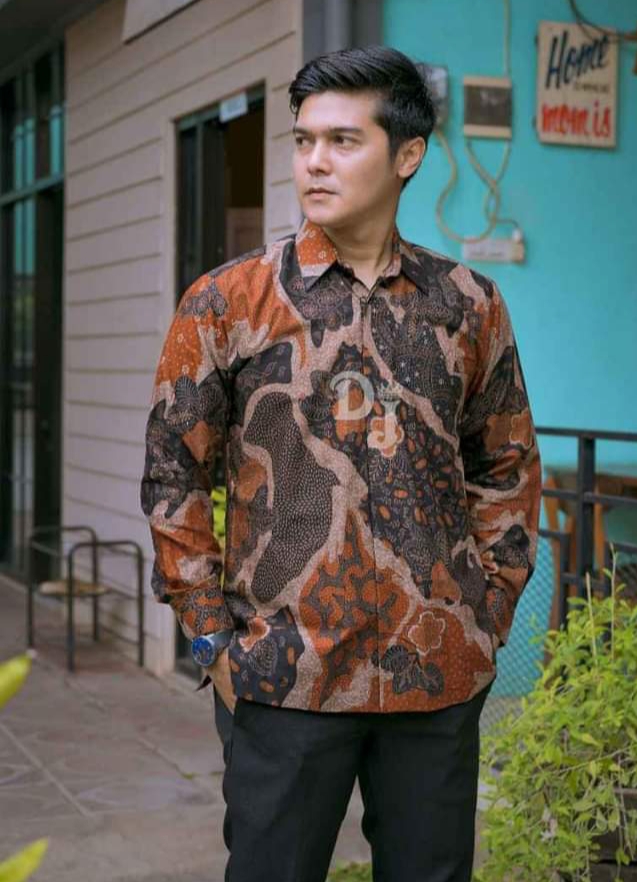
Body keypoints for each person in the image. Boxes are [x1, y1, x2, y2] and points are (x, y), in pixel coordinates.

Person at [141, 45, 542, 882]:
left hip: (434, 670)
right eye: (303, 140)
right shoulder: (229, 301)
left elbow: (504, 465)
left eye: (342, 141)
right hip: (283, 675)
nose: (313, 161)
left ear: (407, 155)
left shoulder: (467, 304)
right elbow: (174, 474)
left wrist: (487, 614)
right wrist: (212, 637)